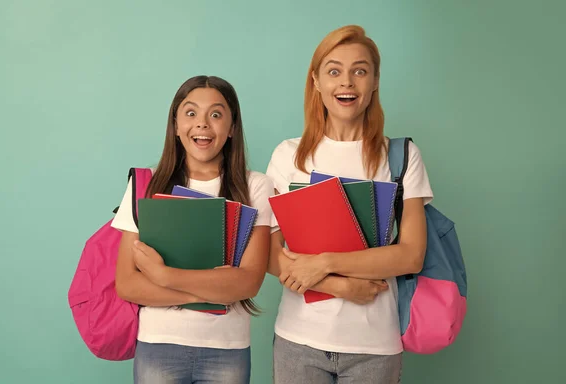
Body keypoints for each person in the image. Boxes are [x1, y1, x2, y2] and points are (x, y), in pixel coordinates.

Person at [266, 25, 434, 383]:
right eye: (334, 71)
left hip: (375, 347)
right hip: (298, 342)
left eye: (360, 71)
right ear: (316, 81)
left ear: (374, 81)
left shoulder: (401, 157)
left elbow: (411, 255)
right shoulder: (288, 156)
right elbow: (269, 254)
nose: (347, 82)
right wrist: (339, 285)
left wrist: (325, 263)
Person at [112, 75, 274, 384]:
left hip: (227, 349)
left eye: (216, 114)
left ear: (233, 128)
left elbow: (248, 283)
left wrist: (164, 276)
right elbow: (128, 284)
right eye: (190, 113)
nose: (202, 124)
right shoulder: (146, 184)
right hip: (158, 346)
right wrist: (213, 289)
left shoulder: (256, 186)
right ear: (175, 125)